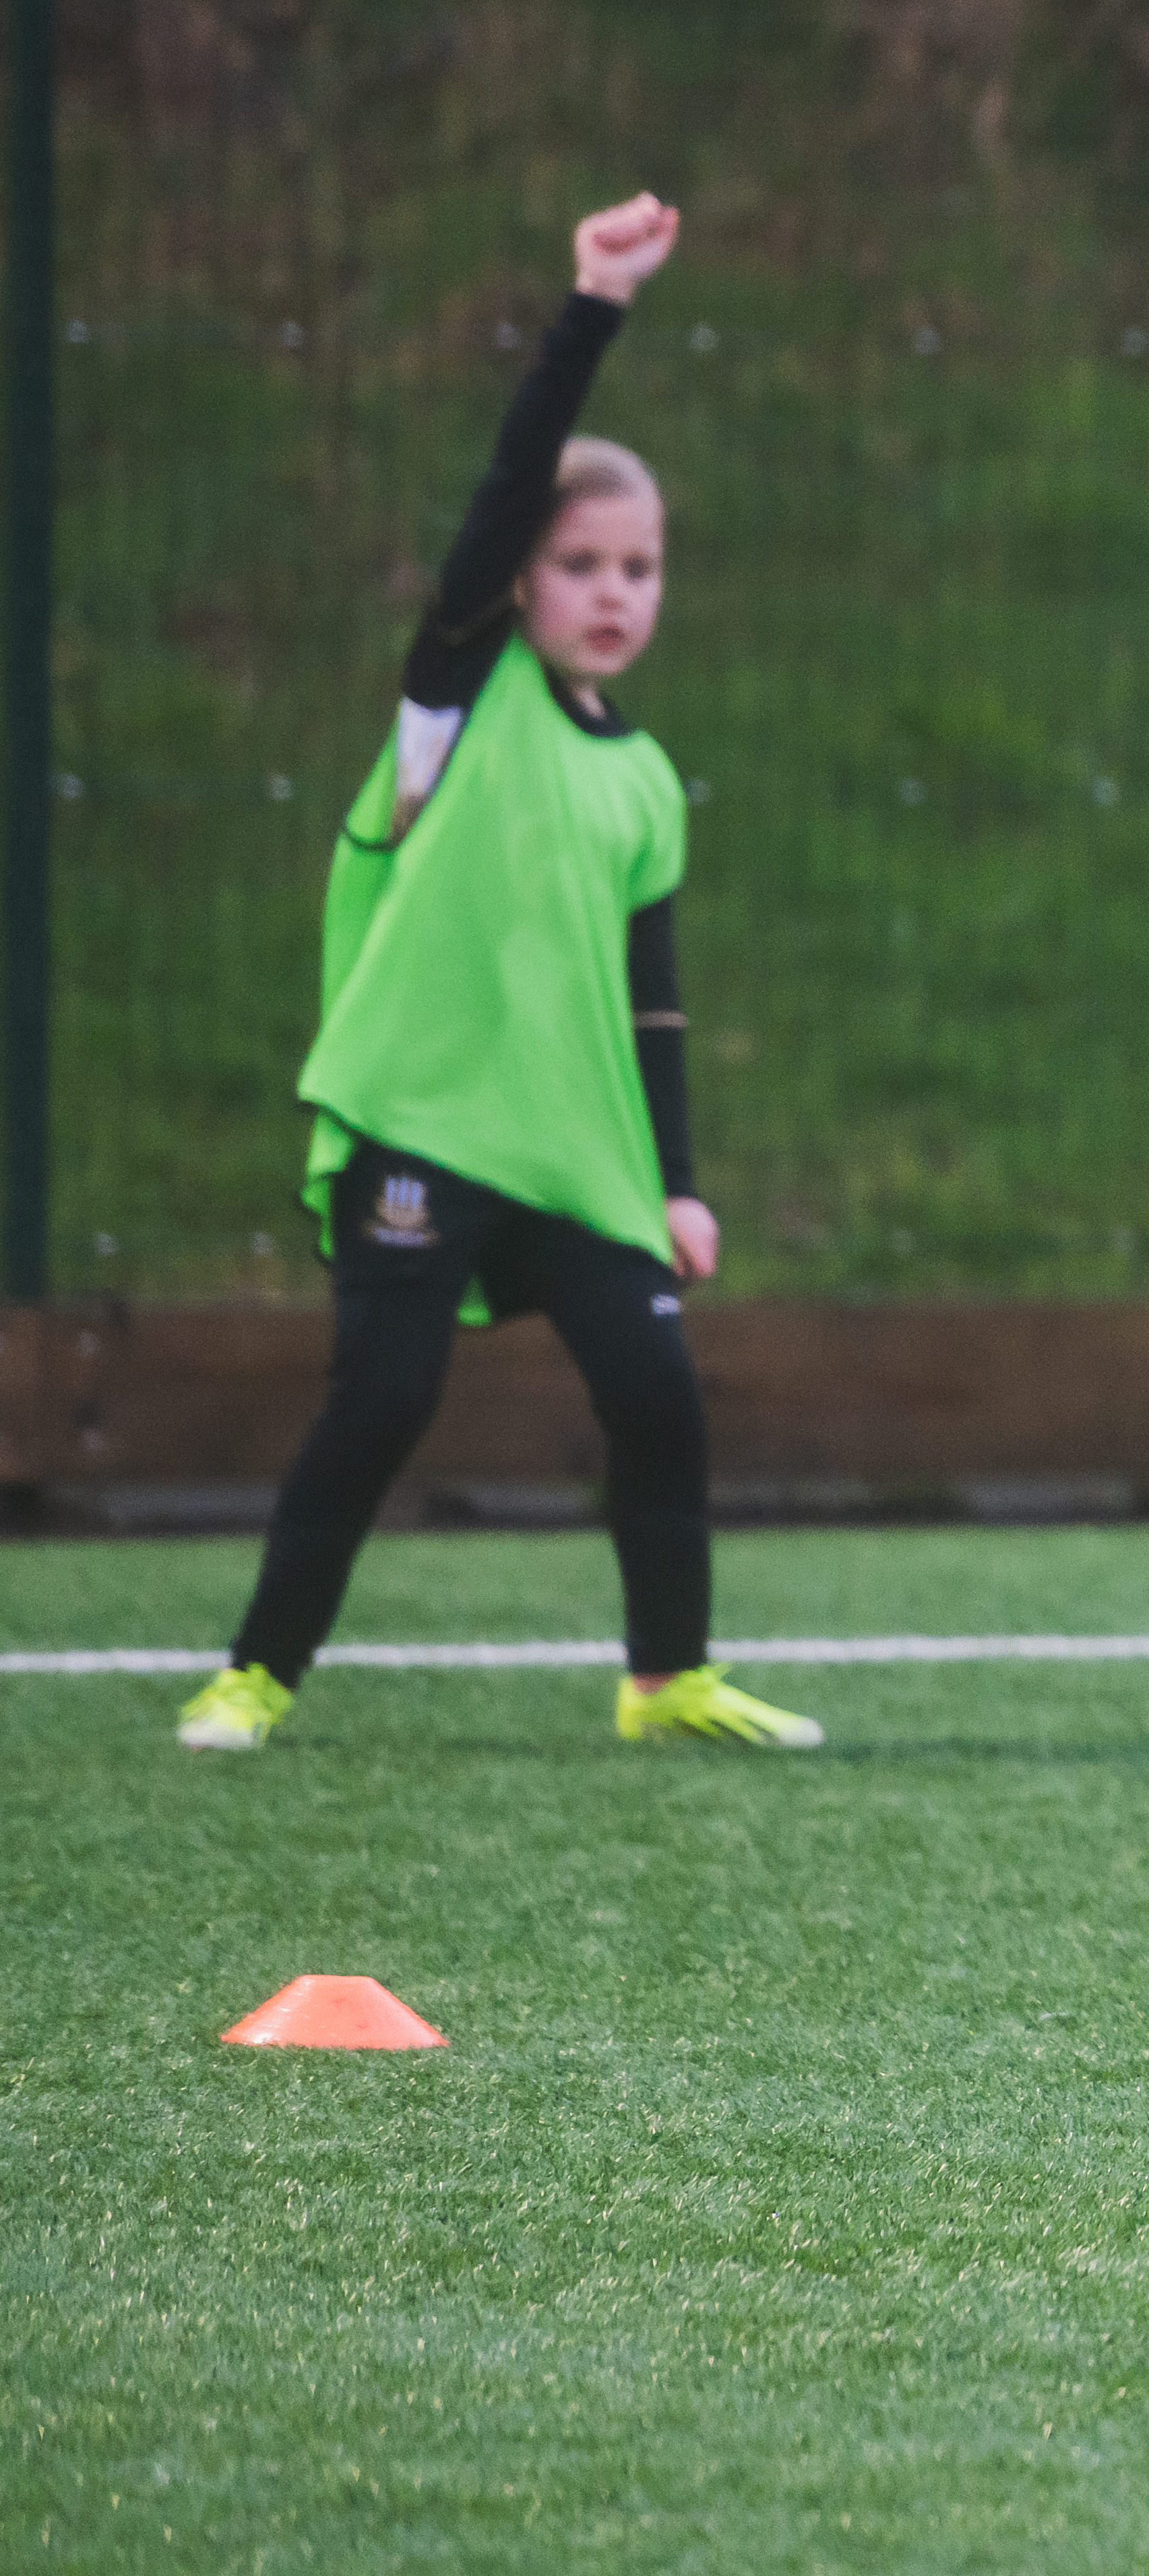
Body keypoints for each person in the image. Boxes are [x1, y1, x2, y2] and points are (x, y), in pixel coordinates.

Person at [174, 197, 818, 1762]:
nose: (613, 591)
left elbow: (651, 1004)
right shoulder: (454, 710)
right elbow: (491, 510)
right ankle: (255, 1673)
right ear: (518, 588)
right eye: (580, 561)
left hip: (573, 1149)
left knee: (657, 1390)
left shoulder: (648, 782)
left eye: (640, 567)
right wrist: (593, 306)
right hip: (422, 1117)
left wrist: (676, 1182)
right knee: (384, 1399)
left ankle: (666, 1681)